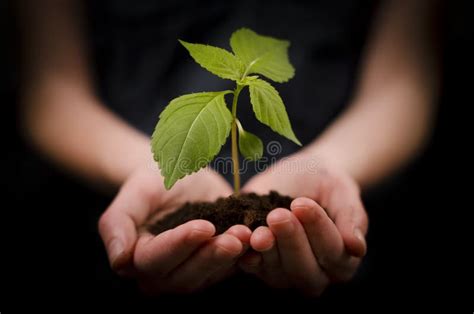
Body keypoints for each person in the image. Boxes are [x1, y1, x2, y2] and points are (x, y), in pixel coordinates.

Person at [16, 0, 439, 296]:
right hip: (108, 212)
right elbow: (50, 89)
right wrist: (149, 166)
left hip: (345, 224)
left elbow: (403, 80)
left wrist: (328, 164)